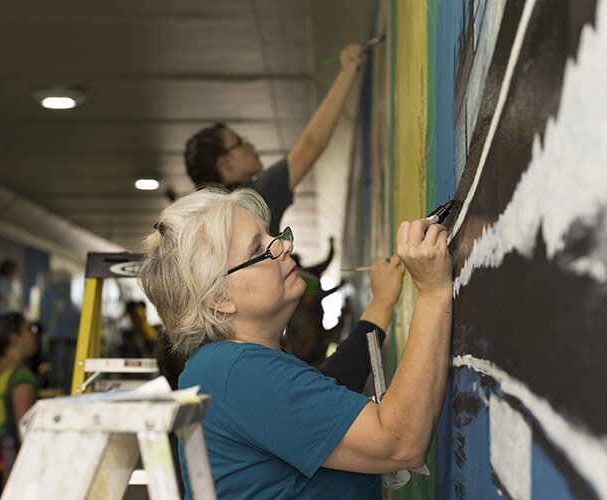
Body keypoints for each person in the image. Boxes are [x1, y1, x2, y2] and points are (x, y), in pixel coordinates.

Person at [139, 187, 453, 498]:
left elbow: (324, 398)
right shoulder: (239, 373)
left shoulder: (220, 368)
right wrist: (432, 290)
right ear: (219, 298)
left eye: (271, 235)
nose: (285, 245)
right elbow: (399, 444)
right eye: (258, 249)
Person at [184, 44, 365, 235]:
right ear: (224, 163)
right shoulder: (254, 198)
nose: (250, 145)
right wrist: (348, 72)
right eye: (240, 143)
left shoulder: (211, 224)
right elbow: (312, 144)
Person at [0, 313, 38, 500]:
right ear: (14, 338)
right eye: (29, 329)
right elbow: (26, 431)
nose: (35, 335)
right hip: (11, 473)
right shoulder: (20, 377)